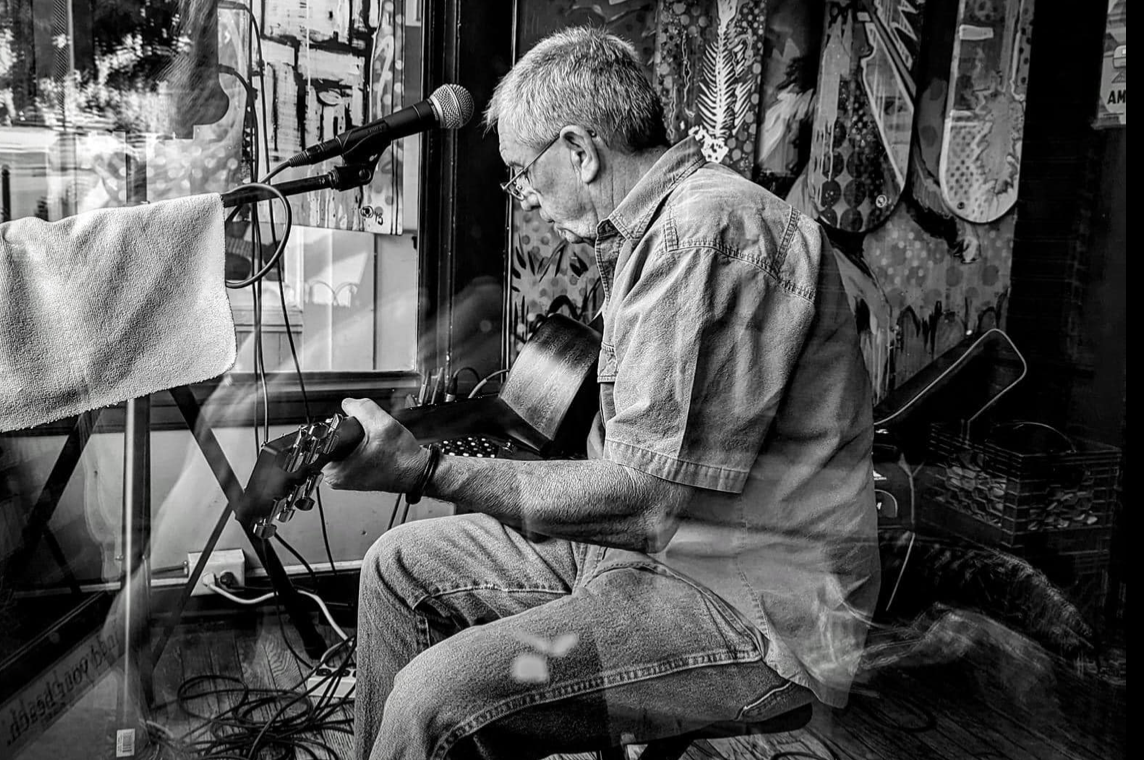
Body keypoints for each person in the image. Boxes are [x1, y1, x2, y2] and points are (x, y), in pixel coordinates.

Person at [324, 27, 880, 760]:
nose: (526, 197)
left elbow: (646, 503)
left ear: (580, 150)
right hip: (649, 560)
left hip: (748, 607)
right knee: (398, 565)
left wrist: (427, 469)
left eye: (523, 173)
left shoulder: (703, 233)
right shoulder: (655, 232)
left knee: (433, 697)